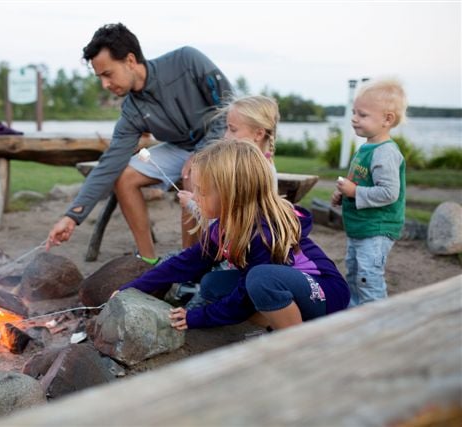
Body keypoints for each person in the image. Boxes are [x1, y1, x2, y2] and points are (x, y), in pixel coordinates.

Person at [46, 23, 233, 265]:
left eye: (107, 74)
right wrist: (72, 216)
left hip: (222, 142)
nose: (104, 84)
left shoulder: (187, 61)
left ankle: (189, 266)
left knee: (194, 172)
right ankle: (147, 260)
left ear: (130, 60)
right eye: (100, 77)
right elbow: (109, 163)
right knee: (123, 176)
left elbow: (228, 107)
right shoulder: (132, 110)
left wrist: (203, 153)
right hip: (179, 148)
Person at [117, 140, 350, 331]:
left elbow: (245, 297)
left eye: (203, 191)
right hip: (285, 289)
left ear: (232, 195)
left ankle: (295, 341)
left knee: (259, 280)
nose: (195, 196)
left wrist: (196, 317)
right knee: (211, 286)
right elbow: (186, 262)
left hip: (325, 294)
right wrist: (133, 288)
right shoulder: (224, 226)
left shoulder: (263, 234)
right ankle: (280, 323)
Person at [331, 78, 407, 306]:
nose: (354, 118)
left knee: (368, 277)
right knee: (354, 273)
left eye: (362, 115)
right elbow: (360, 181)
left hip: (377, 229)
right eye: (354, 112)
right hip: (360, 227)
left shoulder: (385, 152)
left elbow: (389, 193)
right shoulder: (367, 147)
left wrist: (354, 192)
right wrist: (344, 194)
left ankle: (378, 320)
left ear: (387, 119)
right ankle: (357, 314)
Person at [177, 94, 280, 215]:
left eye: (233, 129)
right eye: (227, 128)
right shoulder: (260, 166)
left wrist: (191, 204)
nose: (225, 135)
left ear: (258, 134)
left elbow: (225, 222)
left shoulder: (245, 172)